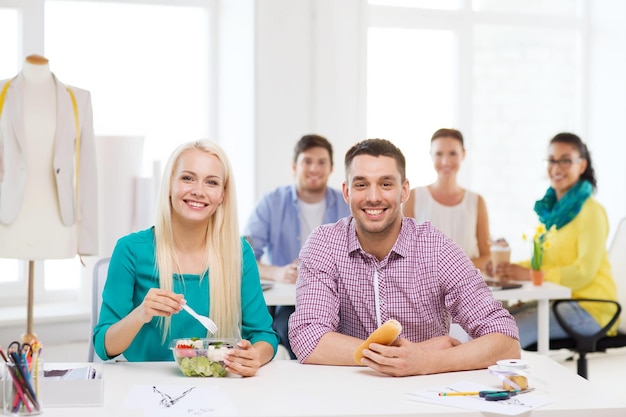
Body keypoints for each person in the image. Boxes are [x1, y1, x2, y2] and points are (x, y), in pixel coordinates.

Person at [288, 138, 520, 377]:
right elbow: (307, 337)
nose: (374, 197)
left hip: (425, 394)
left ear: (404, 190)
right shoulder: (324, 244)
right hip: (349, 392)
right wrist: (405, 356)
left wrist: (426, 361)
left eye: (386, 184)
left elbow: (506, 341)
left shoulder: (437, 249)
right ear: (347, 192)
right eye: (361, 185)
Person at [93, 140, 278, 376]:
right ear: (169, 184)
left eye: (211, 182)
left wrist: (254, 356)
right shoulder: (130, 250)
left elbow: (264, 335)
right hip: (143, 383)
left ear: (222, 194)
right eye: (188, 178)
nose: (198, 191)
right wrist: (141, 313)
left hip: (213, 382)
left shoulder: (239, 253)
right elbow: (104, 346)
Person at [488, 132, 618, 349]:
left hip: (589, 309)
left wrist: (530, 275)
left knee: (500, 336)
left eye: (566, 160)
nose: (557, 167)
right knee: (489, 322)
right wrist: (507, 269)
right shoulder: (550, 216)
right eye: (552, 160)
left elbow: (582, 272)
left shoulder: (592, 212)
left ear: (582, 165)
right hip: (556, 303)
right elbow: (541, 264)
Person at [243, 134, 350, 358]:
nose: (314, 168)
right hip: (290, 304)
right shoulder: (271, 203)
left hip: (341, 300)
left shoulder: (347, 203)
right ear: (294, 166)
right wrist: (278, 272)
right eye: (307, 161)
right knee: (290, 331)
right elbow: (243, 257)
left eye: (321, 162)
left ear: (331, 168)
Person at [0, 54, 98, 258]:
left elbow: (87, 174)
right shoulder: (3, 94)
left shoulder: (78, 99)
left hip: (58, 225)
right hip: (8, 221)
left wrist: (88, 240)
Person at [402, 128, 490, 270]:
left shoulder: (476, 201)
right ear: (431, 155)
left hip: (467, 287)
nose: (445, 161)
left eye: (453, 153)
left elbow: (487, 257)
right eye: (439, 154)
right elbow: (404, 253)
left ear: (463, 154)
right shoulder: (413, 197)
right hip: (426, 289)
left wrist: (450, 270)